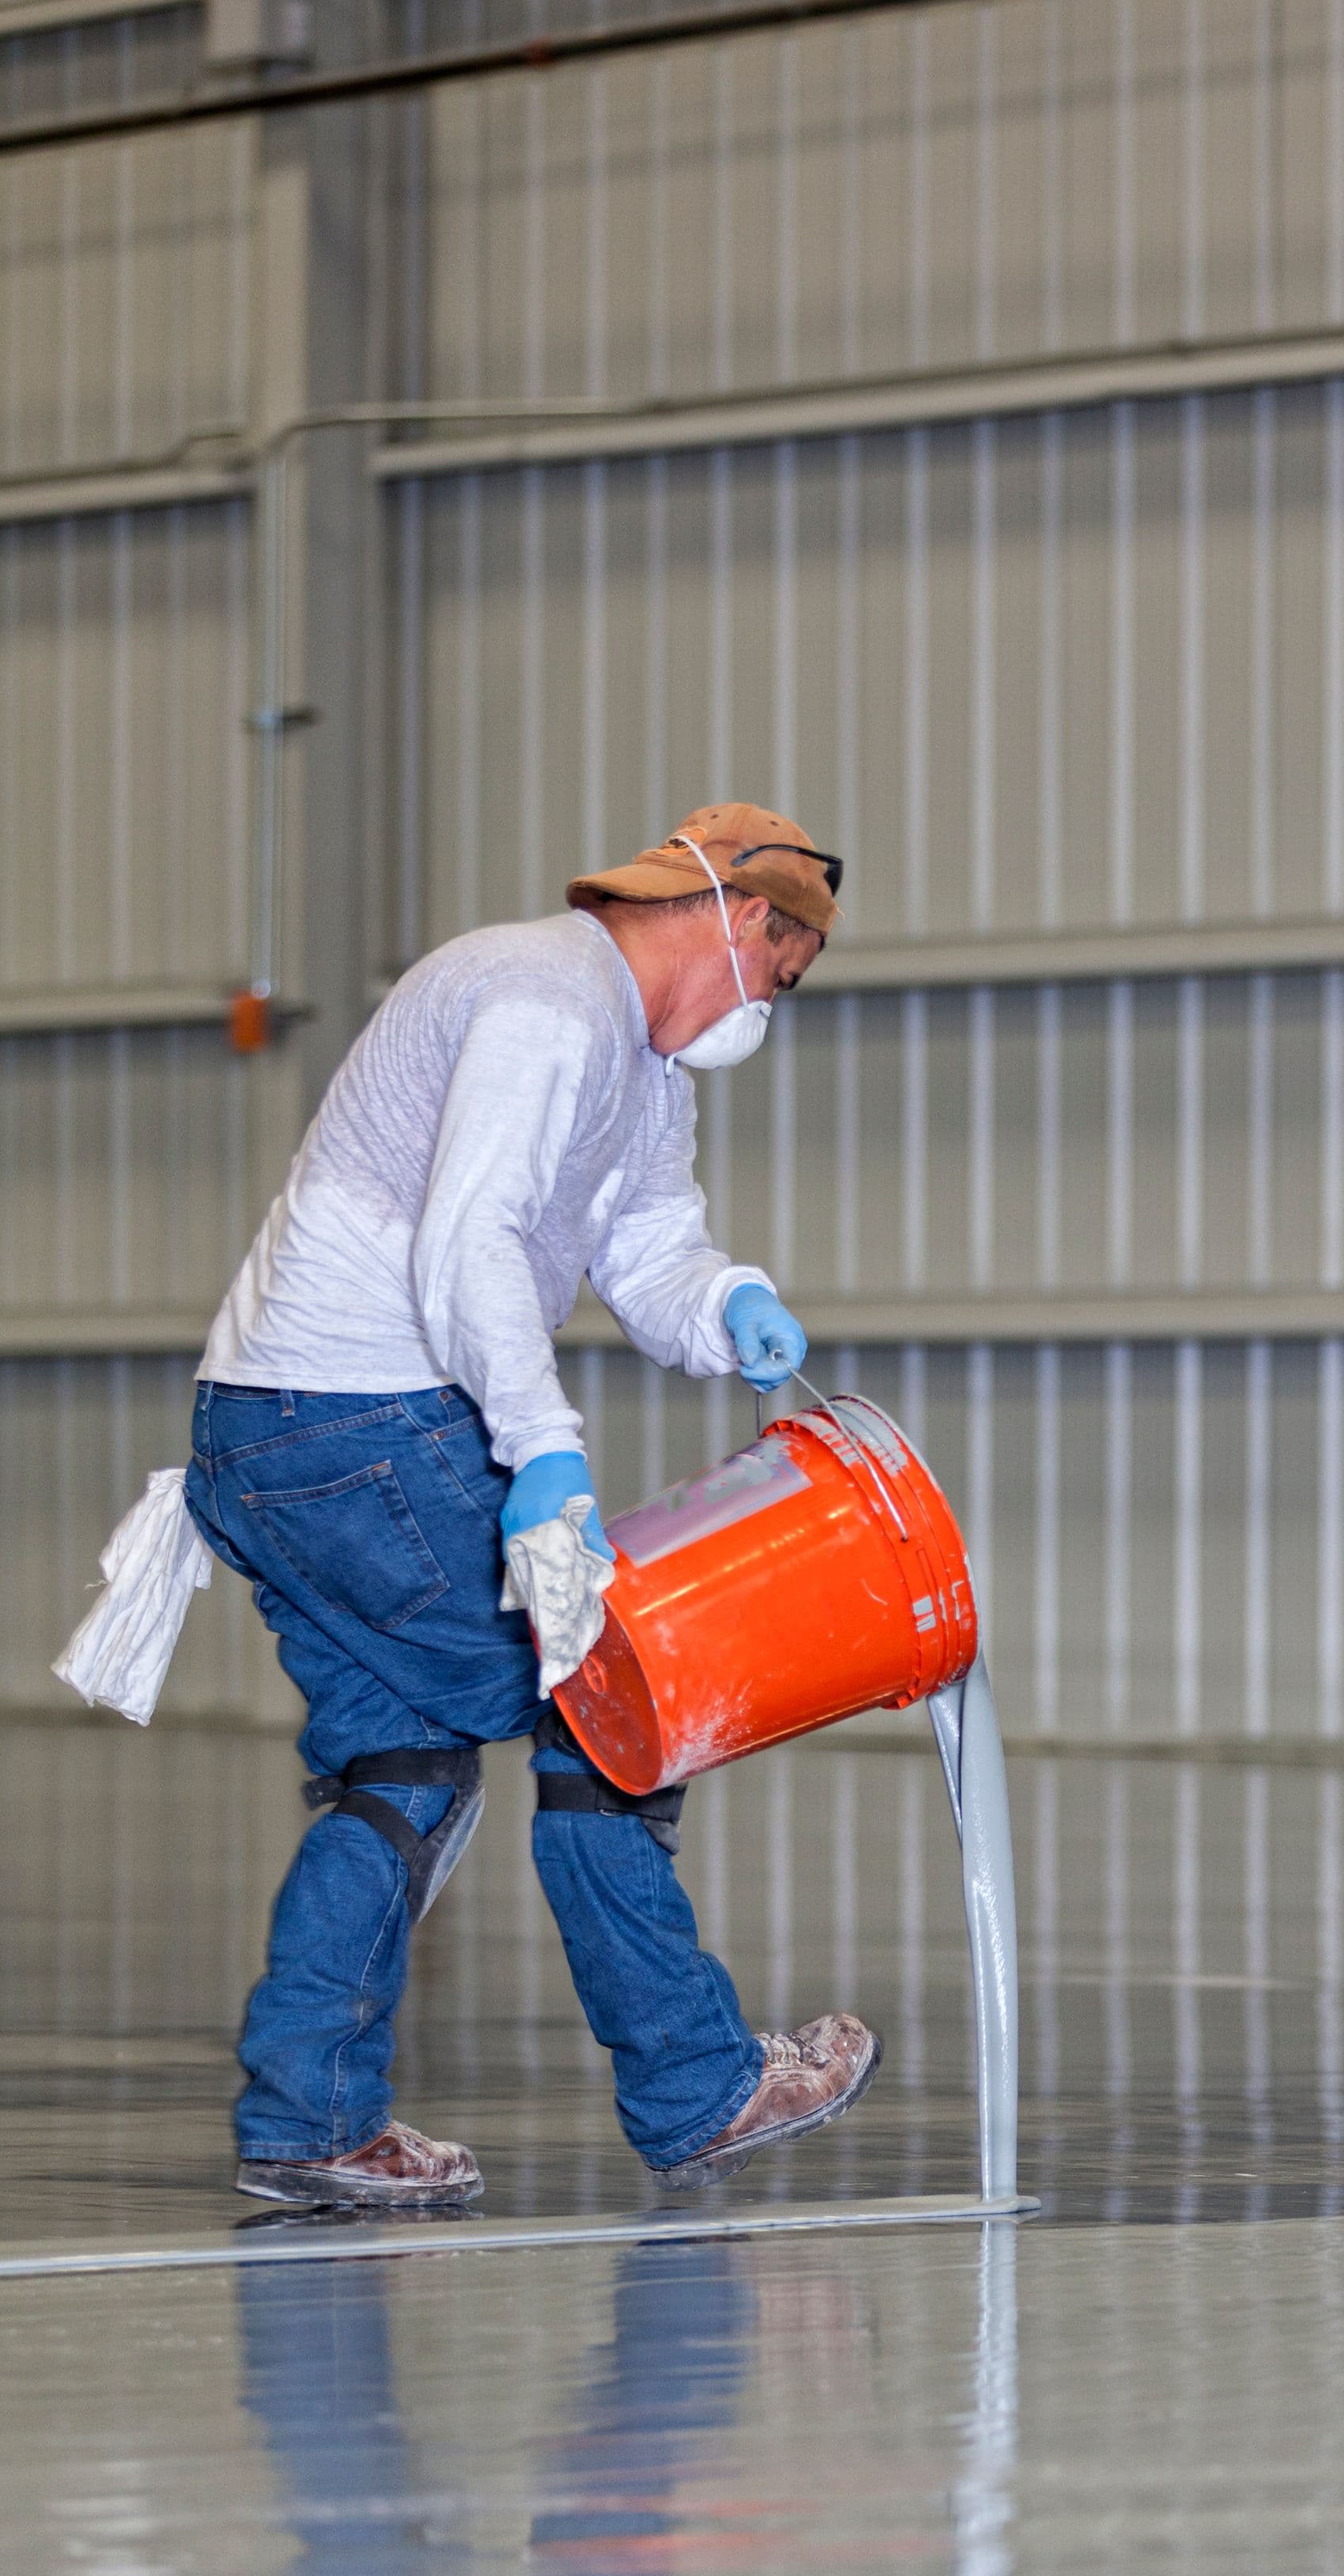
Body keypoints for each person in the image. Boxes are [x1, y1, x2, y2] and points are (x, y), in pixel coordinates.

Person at [180, 803, 881, 2211]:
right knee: (614, 1701)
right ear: (746, 922)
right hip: (355, 1423)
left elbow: (641, 1236)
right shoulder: (544, 999)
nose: (773, 1006)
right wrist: (543, 1450)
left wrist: (723, 1299)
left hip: (275, 1427)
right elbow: (472, 1238)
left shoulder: (639, 1057)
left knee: (409, 1775)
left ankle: (309, 2116)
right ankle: (698, 2086)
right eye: (786, 973)